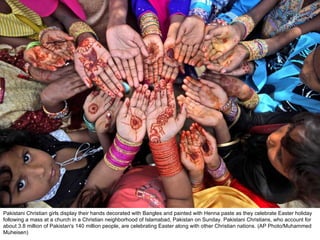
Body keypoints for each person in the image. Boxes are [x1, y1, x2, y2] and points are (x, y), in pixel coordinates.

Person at [0, 82, 193, 208]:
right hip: (145, 163)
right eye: (21, 185)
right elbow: (111, 179)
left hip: (135, 146)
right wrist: (149, 142)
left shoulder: (48, 144)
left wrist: (97, 124)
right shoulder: (70, 205)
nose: (39, 170)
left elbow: (91, 138)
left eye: (26, 158)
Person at [177, 75, 320, 207]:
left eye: (279, 156)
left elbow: (234, 161)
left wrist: (219, 124)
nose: (273, 139)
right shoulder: (305, 124)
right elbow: (254, 122)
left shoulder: (273, 188)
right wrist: (225, 105)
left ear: (292, 179)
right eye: (287, 131)